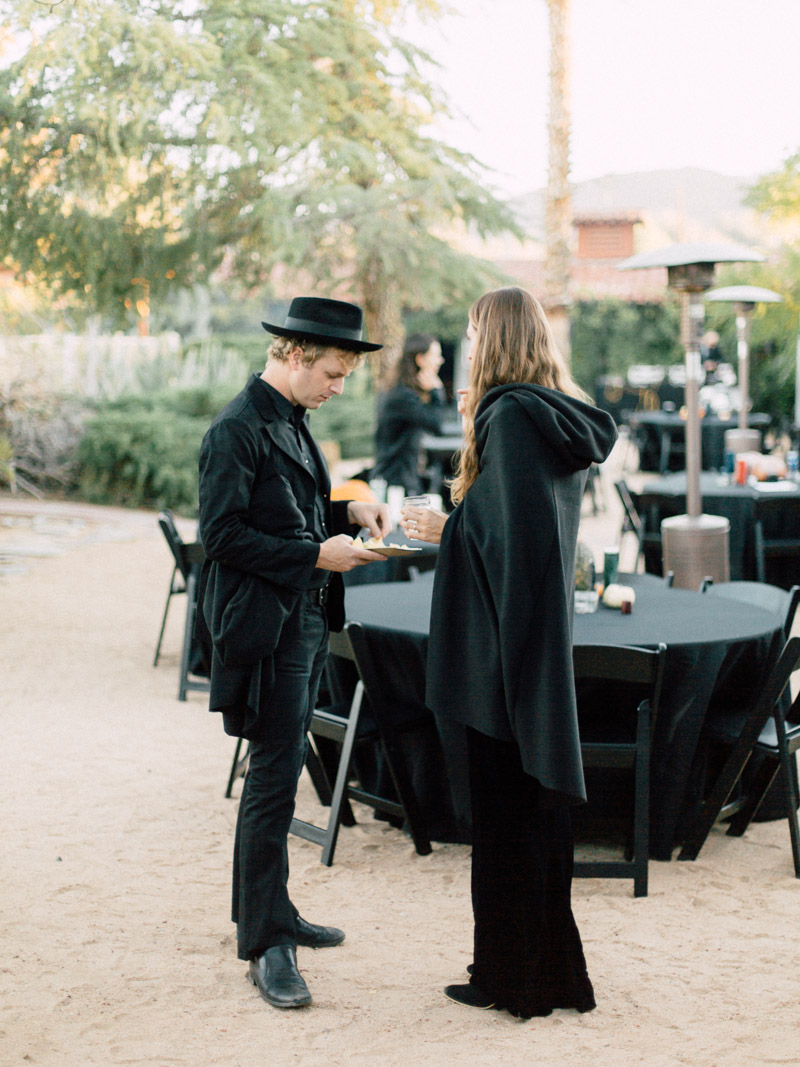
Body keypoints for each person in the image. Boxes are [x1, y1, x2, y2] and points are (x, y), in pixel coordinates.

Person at [402, 286, 617, 1019]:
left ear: (490, 338)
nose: (464, 340)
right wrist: (466, 521)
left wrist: (444, 527)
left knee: (506, 812)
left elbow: (501, 542)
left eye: (470, 330)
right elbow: (517, 532)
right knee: (528, 811)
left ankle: (517, 978)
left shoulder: (513, 419)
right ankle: (544, 971)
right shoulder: (550, 414)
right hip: (532, 639)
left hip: (501, 653)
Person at [197, 297, 391, 1010]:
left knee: (280, 775)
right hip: (265, 626)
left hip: (300, 620)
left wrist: (347, 512)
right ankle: (264, 943)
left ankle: (273, 913)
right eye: (334, 373)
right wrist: (317, 550)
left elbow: (285, 512)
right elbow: (220, 539)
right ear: (294, 354)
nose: (338, 387)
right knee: (273, 779)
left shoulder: (290, 422)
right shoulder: (235, 429)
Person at [371, 333, 446, 494]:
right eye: (436, 355)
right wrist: (436, 391)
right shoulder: (402, 396)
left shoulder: (400, 391)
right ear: (420, 359)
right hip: (396, 483)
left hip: (399, 479)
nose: (440, 361)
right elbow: (437, 425)